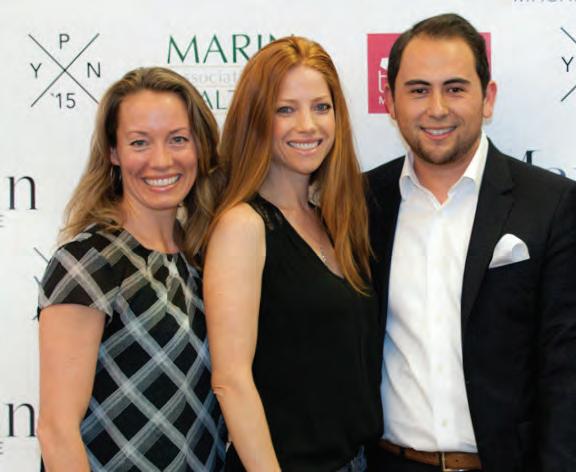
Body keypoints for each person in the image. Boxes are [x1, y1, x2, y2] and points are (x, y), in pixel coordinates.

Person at [366, 13, 576, 472]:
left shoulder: (551, 205)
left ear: (487, 98)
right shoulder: (361, 203)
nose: (437, 108)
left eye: (455, 89)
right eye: (418, 90)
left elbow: (566, 375)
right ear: (390, 102)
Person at [203, 36, 380, 472]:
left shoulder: (331, 220)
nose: (308, 125)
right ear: (255, 119)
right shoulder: (243, 226)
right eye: (285, 110)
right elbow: (230, 381)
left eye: (321, 107)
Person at [37, 67, 226, 471]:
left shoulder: (202, 259)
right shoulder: (89, 262)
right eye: (140, 142)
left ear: (200, 146)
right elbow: (56, 430)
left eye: (178, 139)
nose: (161, 160)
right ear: (113, 152)